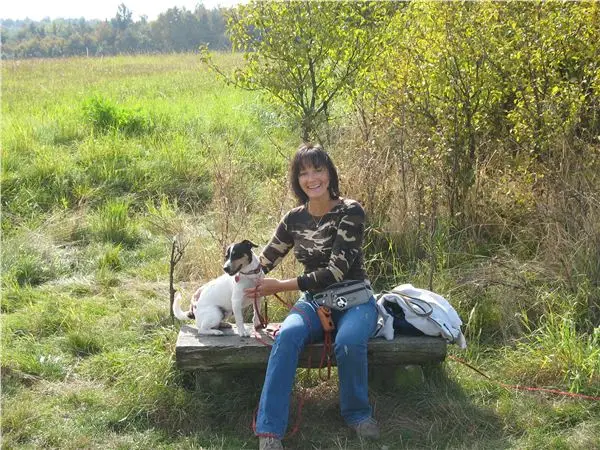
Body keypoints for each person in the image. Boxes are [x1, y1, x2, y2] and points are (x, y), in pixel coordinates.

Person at [244, 143, 380, 450]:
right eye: (303, 173)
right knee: (286, 336)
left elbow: (336, 271)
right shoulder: (293, 219)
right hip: (314, 302)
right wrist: (222, 284)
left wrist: (281, 286)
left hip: (356, 300)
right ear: (297, 180)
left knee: (348, 342)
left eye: (318, 170)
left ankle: (358, 415)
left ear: (330, 173)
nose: (312, 178)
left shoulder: (351, 211)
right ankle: (269, 431)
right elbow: (262, 263)